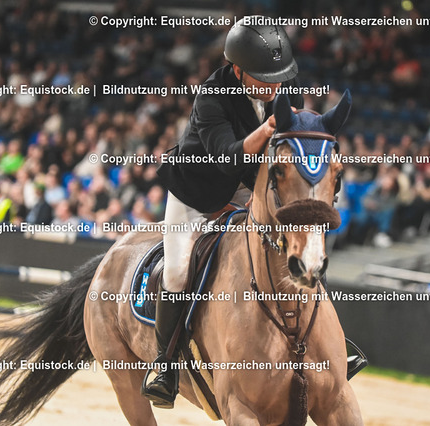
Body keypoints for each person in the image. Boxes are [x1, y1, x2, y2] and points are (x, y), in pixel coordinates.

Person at [143, 17, 302, 408]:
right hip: (196, 194)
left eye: (279, 79)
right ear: (237, 70)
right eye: (265, 80)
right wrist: (267, 129)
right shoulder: (211, 97)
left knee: (301, 246)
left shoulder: (279, 86)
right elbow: (228, 158)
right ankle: (164, 364)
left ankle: (328, 343)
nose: (274, 88)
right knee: (177, 272)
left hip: (247, 186)